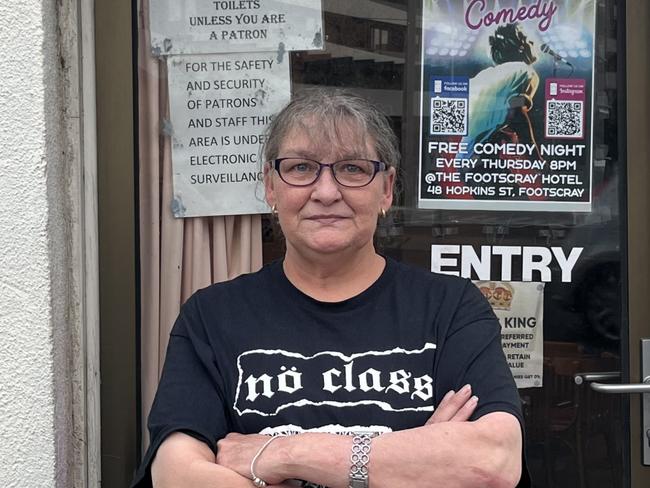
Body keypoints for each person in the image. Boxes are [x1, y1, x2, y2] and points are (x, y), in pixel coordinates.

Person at [132, 89, 528, 488]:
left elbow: (490, 461)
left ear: (386, 189)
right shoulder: (212, 315)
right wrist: (414, 458)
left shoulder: (451, 307)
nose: (325, 192)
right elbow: (177, 474)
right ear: (271, 187)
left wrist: (283, 455)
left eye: (353, 169)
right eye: (301, 168)